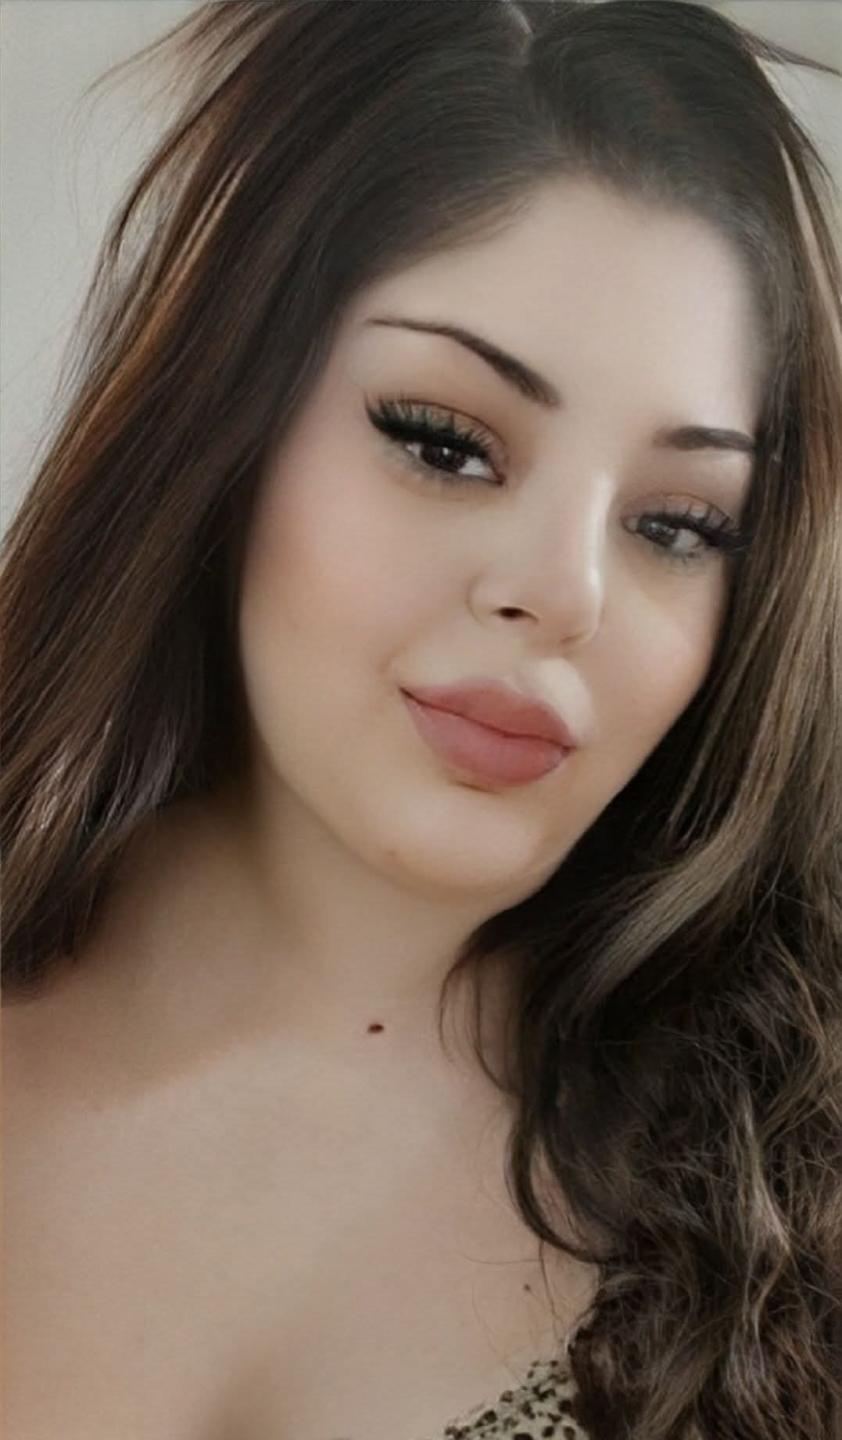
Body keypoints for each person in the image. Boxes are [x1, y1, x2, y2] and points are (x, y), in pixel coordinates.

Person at [2, 2, 840, 1437]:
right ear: (226, 419)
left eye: (678, 523)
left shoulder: (795, 1224)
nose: (563, 592)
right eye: (445, 444)